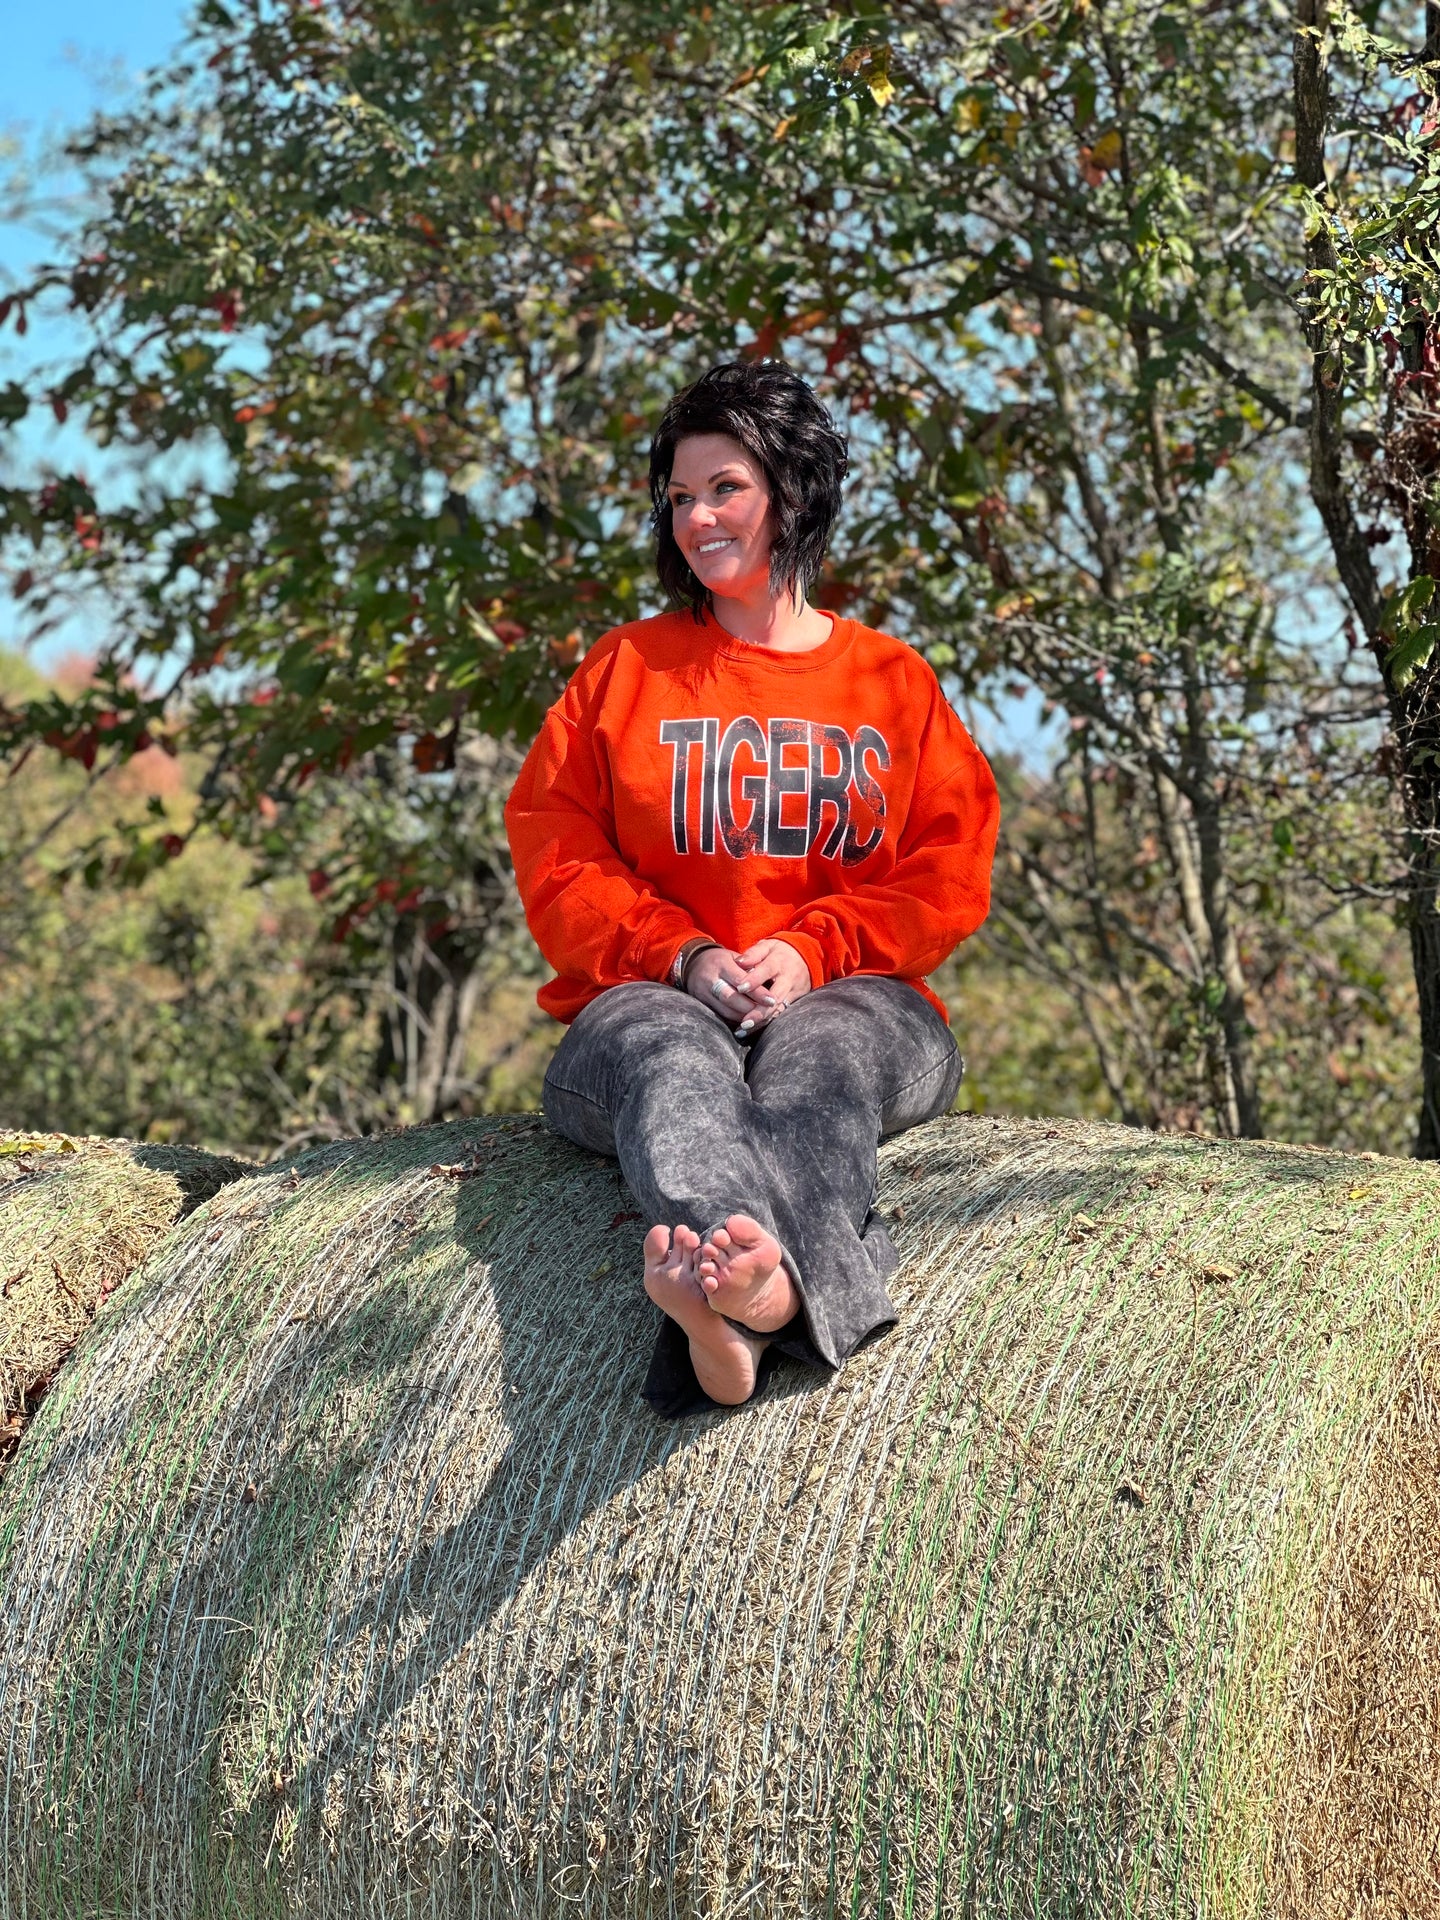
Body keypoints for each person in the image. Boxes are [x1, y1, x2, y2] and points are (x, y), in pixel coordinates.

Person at [504, 360, 1000, 1416]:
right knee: (674, 1059)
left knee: (817, 1057)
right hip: (650, 997)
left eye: (724, 487)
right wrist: (681, 956)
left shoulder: (889, 682)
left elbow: (951, 865)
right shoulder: (625, 670)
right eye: (679, 498)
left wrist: (817, 949)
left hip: (855, 1000)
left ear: (793, 489)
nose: (696, 518)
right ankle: (751, 1287)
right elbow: (555, 849)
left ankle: (733, 1314)